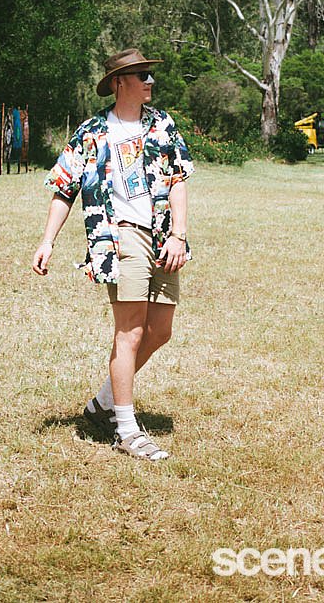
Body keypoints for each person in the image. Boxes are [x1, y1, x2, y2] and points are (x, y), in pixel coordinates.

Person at [32, 48, 194, 462]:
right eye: (142, 75)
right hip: (119, 236)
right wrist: (48, 241)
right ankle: (126, 430)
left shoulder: (162, 125)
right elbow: (63, 189)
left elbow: (178, 180)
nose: (150, 82)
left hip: (162, 236)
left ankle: (103, 403)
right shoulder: (91, 133)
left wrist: (178, 235)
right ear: (119, 83)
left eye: (150, 75)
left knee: (160, 330)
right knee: (131, 331)